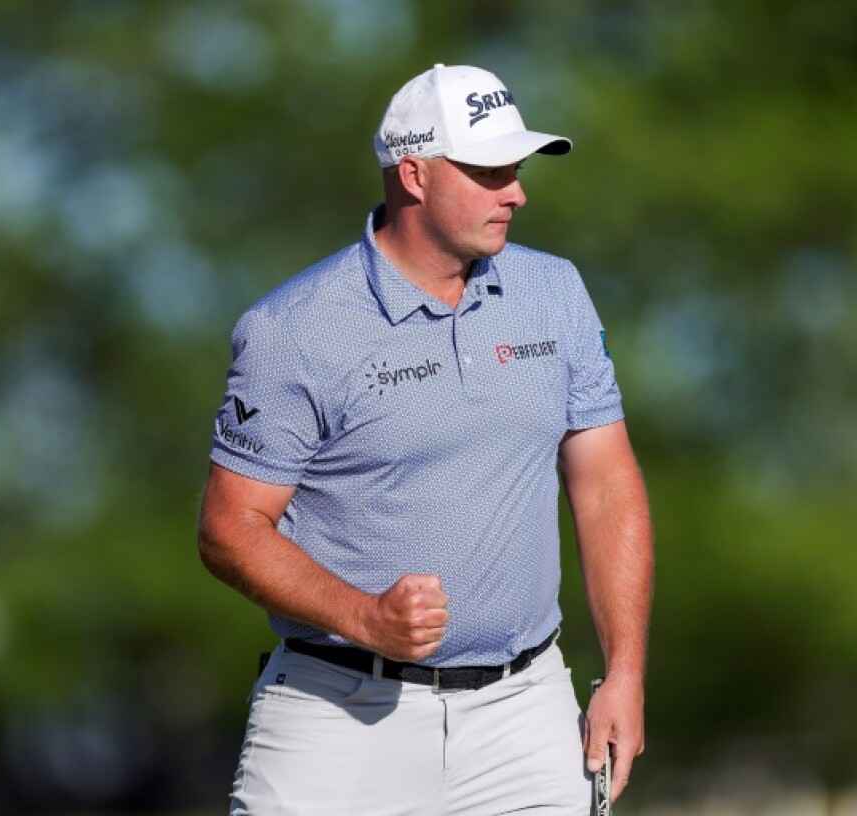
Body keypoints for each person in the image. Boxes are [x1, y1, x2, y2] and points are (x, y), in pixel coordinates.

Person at [198, 63, 654, 815]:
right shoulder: (293, 329)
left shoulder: (554, 291)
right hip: (338, 713)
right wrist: (364, 617)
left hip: (526, 713)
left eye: (516, 168)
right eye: (489, 171)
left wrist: (626, 673)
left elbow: (606, 484)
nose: (517, 192)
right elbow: (227, 529)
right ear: (414, 173)